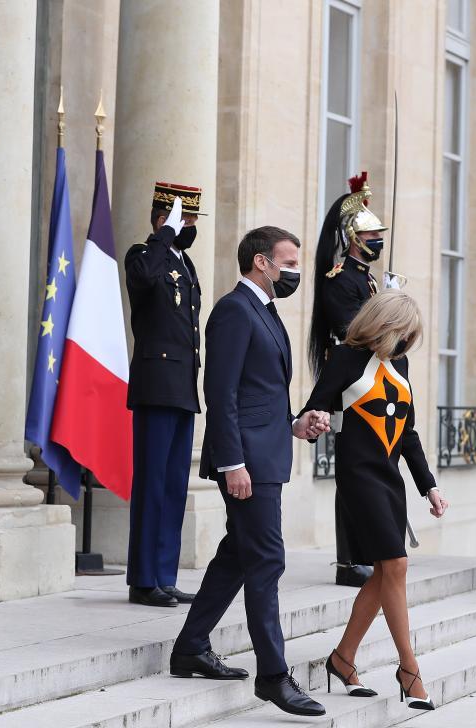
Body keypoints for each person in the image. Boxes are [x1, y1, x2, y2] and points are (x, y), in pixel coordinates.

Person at [169, 226, 329, 718]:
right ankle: (274, 677)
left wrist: (295, 424)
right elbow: (222, 394)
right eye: (289, 262)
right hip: (248, 466)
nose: (295, 271)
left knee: (237, 557)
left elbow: (260, 395)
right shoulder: (234, 311)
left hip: (267, 454)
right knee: (267, 562)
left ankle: (191, 646)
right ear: (261, 262)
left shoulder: (266, 312)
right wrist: (231, 461)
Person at [299, 290, 448, 711]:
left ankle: (343, 659)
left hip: (390, 480)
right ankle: (409, 668)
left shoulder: (399, 365)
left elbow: (410, 434)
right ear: (383, 325)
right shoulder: (344, 358)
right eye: (402, 332)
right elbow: (314, 407)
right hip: (357, 476)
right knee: (395, 564)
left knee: (386, 572)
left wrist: (429, 486)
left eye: (410, 336)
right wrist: (319, 420)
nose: (405, 342)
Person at [309, 171, 393, 588]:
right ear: (353, 238)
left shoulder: (366, 278)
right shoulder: (340, 279)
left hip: (372, 378)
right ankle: (347, 559)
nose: (378, 240)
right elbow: (352, 332)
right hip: (349, 382)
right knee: (351, 468)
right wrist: (387, 315)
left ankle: (362, 551)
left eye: (379, 234)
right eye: (372, 235)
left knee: (367, 463)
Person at [123, 184, 204, 608]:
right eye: (185, 220)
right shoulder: (144, 254)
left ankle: (165, 575)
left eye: (190, 221)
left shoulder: (184, 263)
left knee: (174, 487)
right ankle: (143, 578)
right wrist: (163, 235)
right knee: (152, 484)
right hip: (156, 386)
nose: (190, 228)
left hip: (182, 389)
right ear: (163, 218)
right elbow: (143, 280)